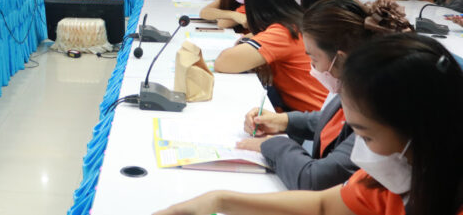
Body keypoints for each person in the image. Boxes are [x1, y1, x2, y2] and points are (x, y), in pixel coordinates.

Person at [154, 33, 463, 215]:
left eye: (366, 137)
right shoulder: (393, 182)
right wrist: (218, 200)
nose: (359, 152)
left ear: (423, 131)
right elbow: (322, 206)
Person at [236, 0, 412, 191]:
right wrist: (282, 121)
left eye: (314, 59)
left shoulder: (376, 109)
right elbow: (334, 121)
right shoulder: (356, 86)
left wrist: (273, 145)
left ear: (341, 58)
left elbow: (316, 179)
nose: (312, 68)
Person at [214, 0, 328, 113]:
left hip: (317, 118)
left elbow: (224, 62)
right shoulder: (296, 20)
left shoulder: (283, 32)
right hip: (318, 110)